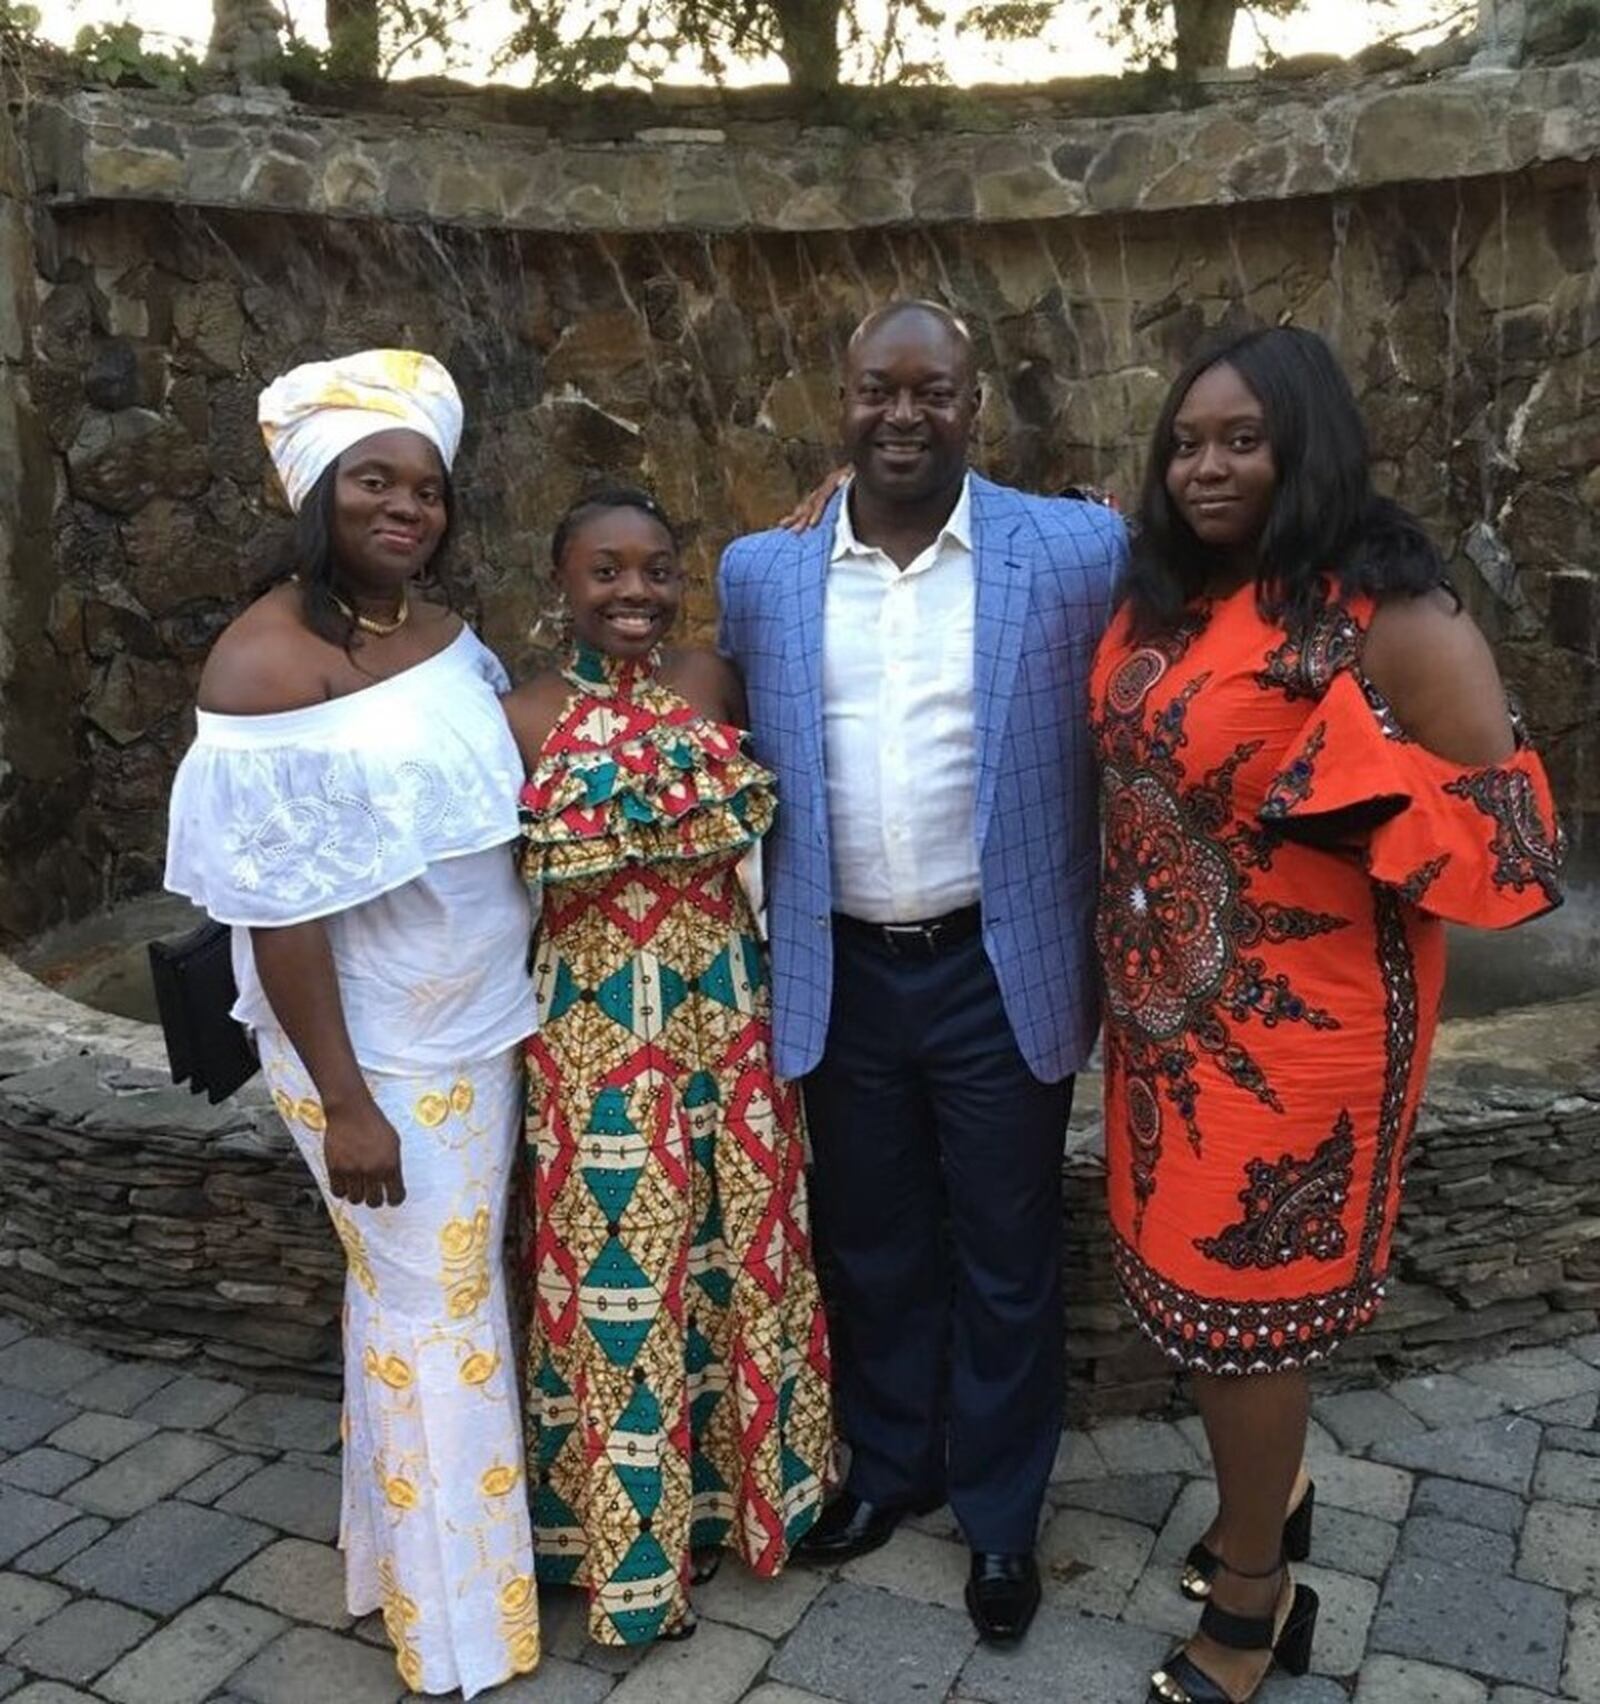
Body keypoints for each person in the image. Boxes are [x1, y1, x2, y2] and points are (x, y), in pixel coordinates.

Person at [1091, 325, 1564, 1704]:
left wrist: (1369, 789)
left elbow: (1521, 847)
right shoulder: (1166, 597)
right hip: (1167, 1025)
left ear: (1308, 442)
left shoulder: (1389, 614)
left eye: (1241, 438)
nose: (1206, 466)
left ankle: (1255, 1600)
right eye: (1185, 442)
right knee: (1195, 1313)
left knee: (1248, 1321)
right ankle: (1274, 1503)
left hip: (1306, 1041)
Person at [717, 300, 1127, 1647]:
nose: (904, 415)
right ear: (840, 400)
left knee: (1010, 1253)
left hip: (994, 969)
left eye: (932, 392)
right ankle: (892, 1469)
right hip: (837, 969)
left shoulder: (1074, 549)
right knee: (872, 1240)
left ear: (974, 404)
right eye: (877, 390)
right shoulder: (762, 575)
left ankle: (1001, 1517)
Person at [164, 351, 541, 1700]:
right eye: (374, 480)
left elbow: (474, 777)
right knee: (435, 1316)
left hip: (475, 1027)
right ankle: (461, 1637)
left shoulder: (421, 627)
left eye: (426, 487)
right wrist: (350, 1103)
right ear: (319, 491)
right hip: (379, 1057)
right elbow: (281, 913)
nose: (406, 507)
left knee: (414, 1306)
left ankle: (403, 1571)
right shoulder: (270, 662)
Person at [502, 487, 832, 1650]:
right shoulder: (525, 715)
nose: (632, 593)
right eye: (604, 572)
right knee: (615, 1277)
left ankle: (746, 1506)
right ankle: (624, 1557)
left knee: (739, 1251)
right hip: (593, 1041)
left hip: (727, 1020)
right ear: (562, 582)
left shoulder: (713, 685)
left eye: (653, 569)